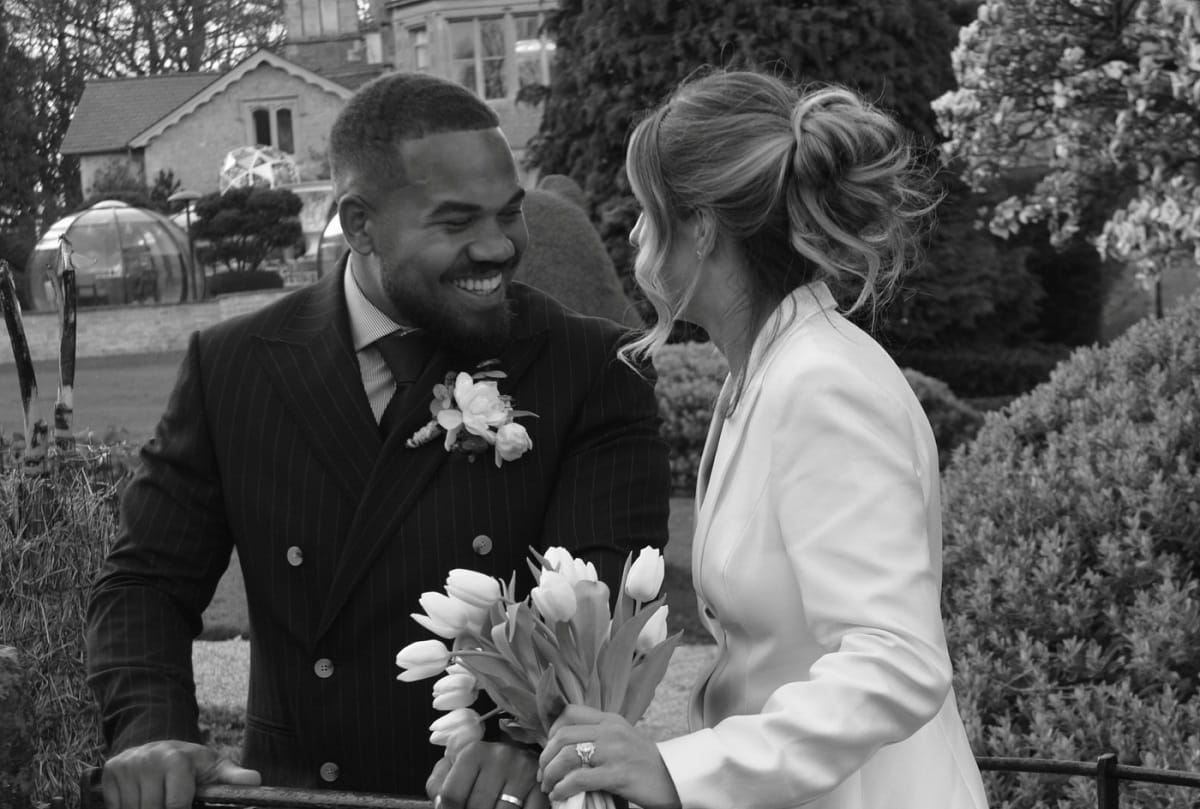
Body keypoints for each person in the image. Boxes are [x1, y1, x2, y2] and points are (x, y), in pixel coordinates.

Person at [85, 72, 671, 809]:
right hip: (300, 797)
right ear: (360, 225)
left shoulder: (593, 369)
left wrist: (531, 742)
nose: (498, 247)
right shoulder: (232, 365)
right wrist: (150, 731)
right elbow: (146, 582)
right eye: (457, 223)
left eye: (509, 213)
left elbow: (602, 596)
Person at [537, 70, 989, 809]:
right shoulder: (765, 373)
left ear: (704, 227)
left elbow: (899, 660)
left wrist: (679, 769)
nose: (632, 232)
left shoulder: (821, 386)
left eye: (648, 212)